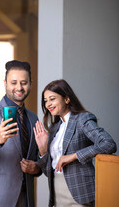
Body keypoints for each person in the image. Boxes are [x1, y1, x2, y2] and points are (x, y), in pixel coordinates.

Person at [34, 79, 117, 207]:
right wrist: (43, 150)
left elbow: (109, 144)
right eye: (45, 101)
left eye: (52, 99)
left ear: (67, 99)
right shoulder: (54, 128)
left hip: (81, 193)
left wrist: (73, 156)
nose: (48, 104)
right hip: (57, 194)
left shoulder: (82, 119)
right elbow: (48, 172)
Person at [0, 60, 42, 207]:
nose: (19, 87)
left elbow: (36, 159)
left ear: (30, 83)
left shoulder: (33, 118)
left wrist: (36, 167)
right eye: (14, 82)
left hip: (26, 199)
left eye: (24, 82)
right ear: (5, 83)